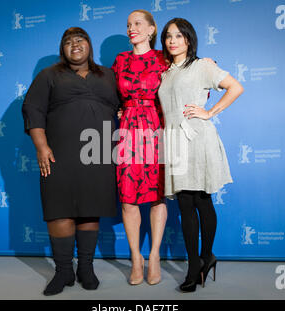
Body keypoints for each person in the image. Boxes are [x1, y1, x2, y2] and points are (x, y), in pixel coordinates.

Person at [22, 27, 119, 295]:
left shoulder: (109, 76)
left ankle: (85, 268)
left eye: (80, 40)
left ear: (89, 44)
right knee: (59, 208)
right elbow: (33, 109)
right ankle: (63, 270)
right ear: (62, 49)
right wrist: (41, 147)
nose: (74, 45)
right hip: (59, 153)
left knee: (90, 208)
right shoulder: (49, 75)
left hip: (98, 153)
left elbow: (130, 103)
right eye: (67, 42)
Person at [158, 18, 244, 293]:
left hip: (196, 138)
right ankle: (195, 265)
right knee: (185, 204)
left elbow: (236, 87)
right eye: (168, 36)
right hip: (174, 141)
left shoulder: (202, 66)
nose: (173, 41)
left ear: (189, 39)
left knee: (201, 200)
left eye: (179, 36)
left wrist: (209, 112)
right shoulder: (165, 72)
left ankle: (205, 259)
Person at [111, 9, 168, 285]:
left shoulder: (163, 59)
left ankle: (154, 255)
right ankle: (136, 257)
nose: (131, 28)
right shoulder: (120, 60)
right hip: (128, 131)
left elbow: (184, 87)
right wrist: (121, 109)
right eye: (128, 24)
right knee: (128, 198)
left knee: (158, 196)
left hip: (157, 129)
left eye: (137, 24)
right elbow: (108, 94)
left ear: (152, 29)